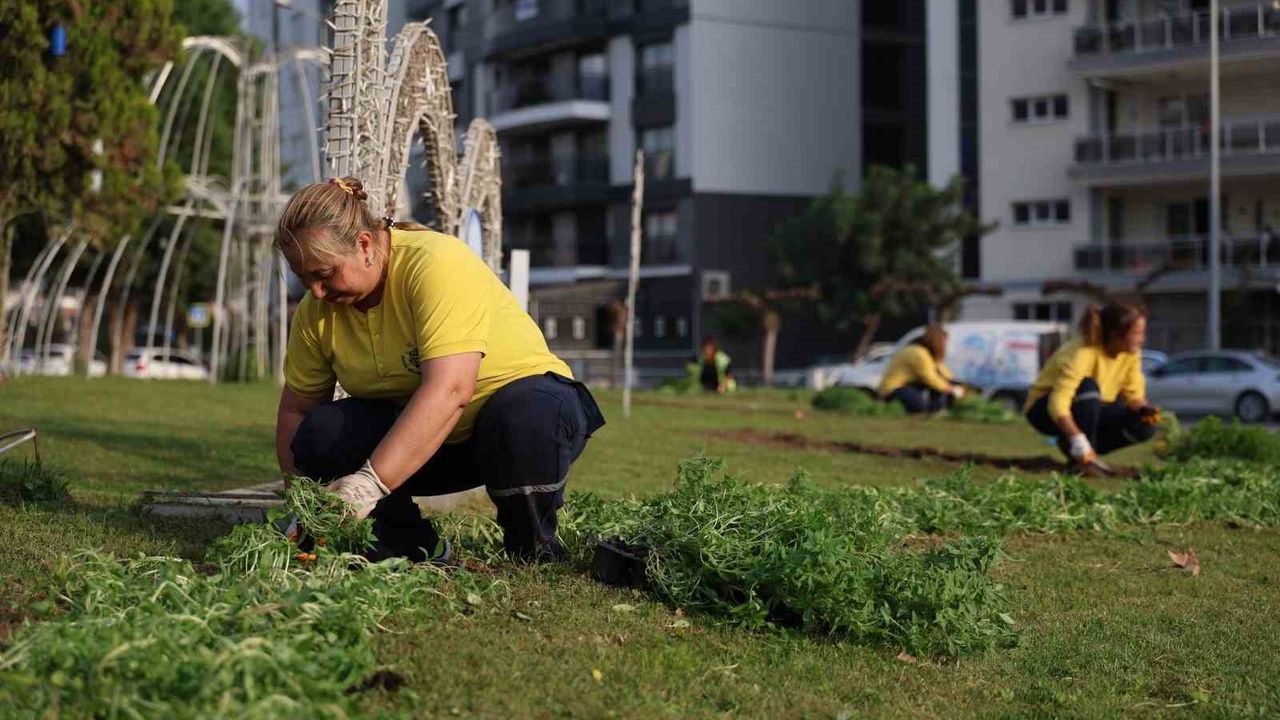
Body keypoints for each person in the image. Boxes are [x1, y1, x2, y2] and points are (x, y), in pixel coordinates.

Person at [274, 177, 605, 563]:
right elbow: (297, 410)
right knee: (322, 433)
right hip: (429, 447)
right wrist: (301, 501)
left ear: (364, 245)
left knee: (525, 414)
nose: (315, 292)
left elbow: (451, 390)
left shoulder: (434, 264)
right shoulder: (317, 314)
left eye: (325, 274)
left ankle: (531, 551)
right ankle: (414, 550)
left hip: (521, 429)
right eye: (305, 279)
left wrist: (368, 484)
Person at [1024, 302, 1159, 475]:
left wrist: (1144, 410)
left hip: (1093, 408)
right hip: (1045, 410)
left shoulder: (1131, 353)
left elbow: (1133, 394)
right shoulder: (1082, 352)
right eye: (1137, 333)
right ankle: (1079, 457)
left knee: (1144, 426)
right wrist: (1077, 438)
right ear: (1115, 335)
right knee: (1088, 387)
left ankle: (1084, 452)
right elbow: (1057, 404)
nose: (1142, 339)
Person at [877, 323, 966, 413]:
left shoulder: (926, 353)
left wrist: (954, 384)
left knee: (942, 384)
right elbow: (930, 378)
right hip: (893, 389)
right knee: (921, 405)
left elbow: (942, 372)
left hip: (906, 386)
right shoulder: (919, 353)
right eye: (944, 342)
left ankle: (935, 410)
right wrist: (951, 389)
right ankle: (933, 410)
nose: (945, 346)